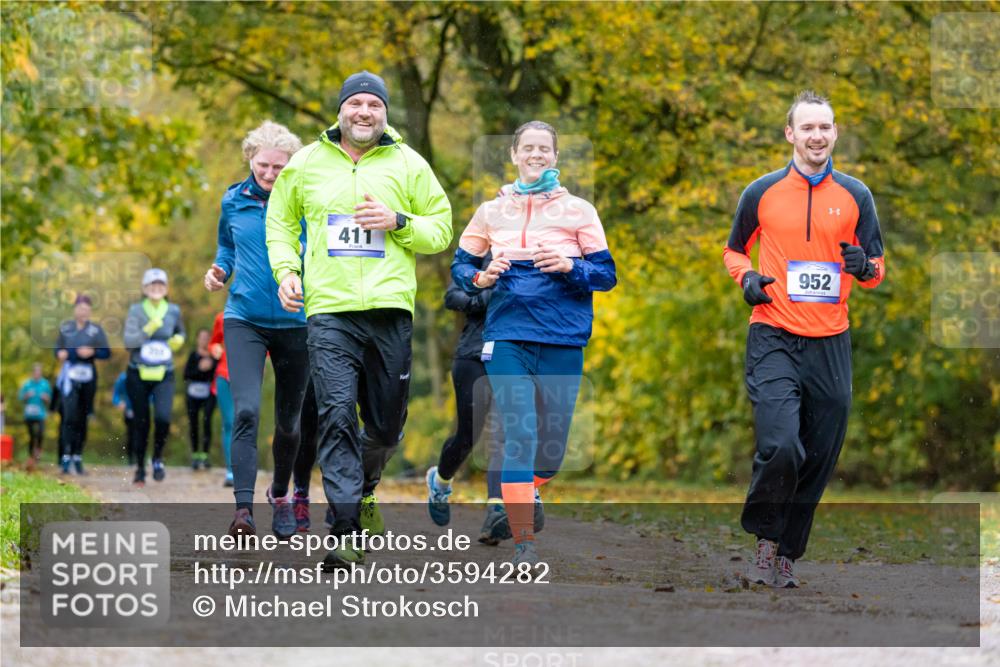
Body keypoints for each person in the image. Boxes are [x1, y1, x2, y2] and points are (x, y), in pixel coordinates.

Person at [266, 71, 453, 568]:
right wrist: (286, 271)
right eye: (356, 103)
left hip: (390, 311)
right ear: (341, 111)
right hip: (330, 311)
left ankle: (366, 487)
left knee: (387, 429)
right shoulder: (306, 163)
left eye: (374, 104)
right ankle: (345, 529)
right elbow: (279, 221)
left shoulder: (409, 163)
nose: (364, 112)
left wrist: (399, 222)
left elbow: (440, 228)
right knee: (335, 416)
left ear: (385, 113)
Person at [723, 90, 886, 588]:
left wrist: (863, 267)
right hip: (773, 332)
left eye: (825, 127)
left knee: (818, 455)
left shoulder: (856, 195)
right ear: (790, 134)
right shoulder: (762, 192)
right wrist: (748, 279)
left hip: (830, 341)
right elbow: (733, 252)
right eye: (808, 127)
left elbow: (877, 267)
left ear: (835, 133)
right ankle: (765, 540)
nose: (817, 136)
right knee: (781, 446)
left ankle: (788, 555)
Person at [450, 120, 616, 565]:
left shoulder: (579, 211)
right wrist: (482, 277)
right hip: (507, 334)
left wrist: (569, 266)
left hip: (563, 337)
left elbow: (607, 275)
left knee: (551, 455)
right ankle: (525, 544)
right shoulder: (491, 211)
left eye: (544, 149)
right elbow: (460, 266)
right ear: (514, 155)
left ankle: (524, 491)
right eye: (528, 148)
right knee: (520, 432)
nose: (536, 155)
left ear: (556, 157)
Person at [205, 120, 313, 538]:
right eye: (263, 165)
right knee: (246, 411)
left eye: (278, 167)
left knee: (289, 424)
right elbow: (226, 247)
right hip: (244, 318)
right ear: (250, 159)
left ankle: (280, 494)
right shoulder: (233, 200)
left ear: (291, 166)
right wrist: (219, 270)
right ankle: (243, 511)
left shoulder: (306, 201)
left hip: (296, 320)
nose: (269, 173)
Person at [425, 255, 512, 545]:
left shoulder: (535, 255)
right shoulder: (479, 255)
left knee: (503, 434)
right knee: (467, 436)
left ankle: (496, 511)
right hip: (473, 354)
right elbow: (452, 297)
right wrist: (487, 294)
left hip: (514, 355)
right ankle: (440, 481)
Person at [123, 268, 186, 486]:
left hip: (164, 373)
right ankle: (140, 468)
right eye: (152, 284)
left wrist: (179, 340)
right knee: (141, 422)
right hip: (137, 372)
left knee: (163, 418)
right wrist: (148, 329)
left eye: (160, 284)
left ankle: (157, 458)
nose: (156, 288)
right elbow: (128, 342)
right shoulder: (136, 310)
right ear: (144, 288)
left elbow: (180, 332)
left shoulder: (174, 310)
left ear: (166, 289)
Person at [54, 293, 110, 474]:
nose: (83, 312)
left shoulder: (96, 330)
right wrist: (64, 353)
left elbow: (106, 352)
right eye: (80, 308)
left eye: (87, 309)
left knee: (83, 417)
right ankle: (65, 456)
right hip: (69, 378)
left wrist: (92, 352)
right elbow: (57, 351)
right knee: (69, 416)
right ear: (74, 310)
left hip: (88, 377)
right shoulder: (66, 329)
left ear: (90, 311)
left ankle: (77, 456)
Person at [184, 328, 217, 470]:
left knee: (207, 421)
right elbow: (186, 375)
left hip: (209, 393)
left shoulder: (214, 357)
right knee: (194, 423)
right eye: (202, 337)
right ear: (197, 339)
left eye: (207, 337)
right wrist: (200, 368)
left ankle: (205, 455)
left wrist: (211, 366)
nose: (204, 340)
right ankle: (195, 455)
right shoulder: (193, 355)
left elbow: (217, 374)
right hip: (193, 393)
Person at [208, 312, 235, 487]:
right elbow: (214, 342)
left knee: (247, 420)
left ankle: (245, 466)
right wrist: (214, 348)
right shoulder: (222, 317)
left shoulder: (258, 312)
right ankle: (231, 470)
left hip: (248, 376)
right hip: (224, 375)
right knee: (229, 422)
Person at [18, 363, 52, 465]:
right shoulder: (27, 384)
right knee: (32, 435)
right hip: (29, 414)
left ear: (41, 373)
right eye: (35, 372)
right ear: (33, 373)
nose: (37, 374)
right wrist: (26, 395)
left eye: (39, 372)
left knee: (40, 433)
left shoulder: (45, 384)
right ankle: (31, 456)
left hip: (40, 414)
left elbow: (50, 399)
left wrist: (46, 398)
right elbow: (21, 398)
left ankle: (38, 451)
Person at [111, 370, 137, 465]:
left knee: (141, 433)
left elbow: (152, 395)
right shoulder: (123, 379)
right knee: (131, 433)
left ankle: (139, 457)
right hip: (129, 409)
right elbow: (116, 395)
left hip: (141, 409)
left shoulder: (146, 377)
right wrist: (119, 402)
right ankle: (131, 458)